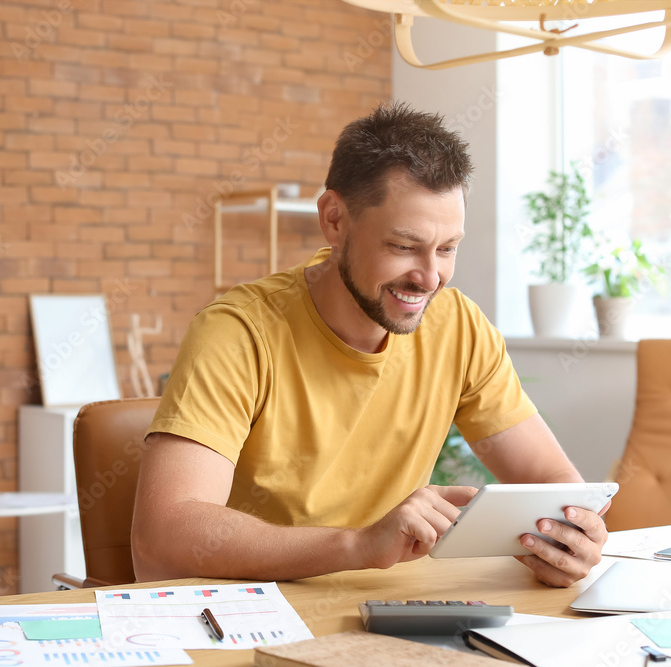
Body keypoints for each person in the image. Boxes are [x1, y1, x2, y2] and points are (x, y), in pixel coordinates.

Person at [131, 101, 607, 588]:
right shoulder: (239, 333)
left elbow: (551, 479)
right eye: (403, 247)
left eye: (447, 249)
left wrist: (570, 537)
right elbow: (163, 537)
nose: (429, 277)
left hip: (396, 615)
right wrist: (359, 545)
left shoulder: (458, 327)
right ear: (334, 219)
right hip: (259, 614)